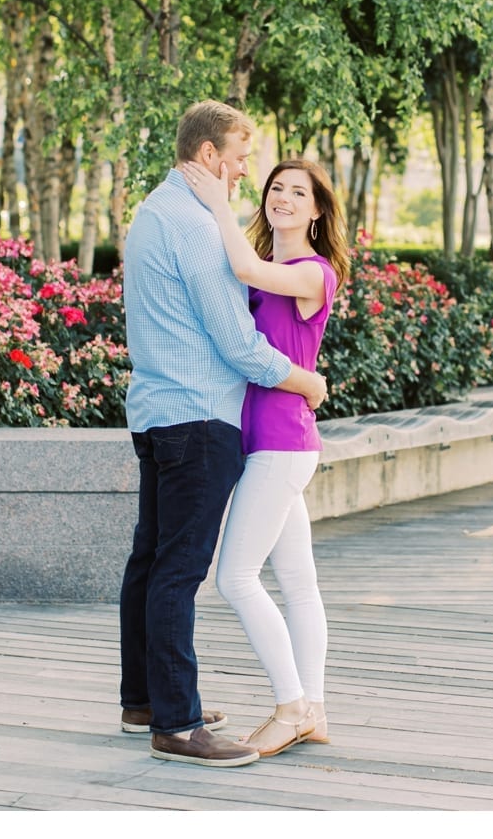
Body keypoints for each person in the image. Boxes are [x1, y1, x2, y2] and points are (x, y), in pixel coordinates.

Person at [118, 99, 329, 769]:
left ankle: (147, 700)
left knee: (151, 563)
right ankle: (177, 724)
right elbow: (239, 344)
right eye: (241, 158)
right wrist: (305, 381)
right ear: (210, 155)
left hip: (157, 412)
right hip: (201, 418)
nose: (245, 172)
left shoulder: (153, 211)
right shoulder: (199, 226)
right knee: (183, 571)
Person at [178, 153, 350, 758]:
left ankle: (291, 706)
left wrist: (218, 201)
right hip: (270, 444)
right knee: (299, 583)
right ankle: (317, 710)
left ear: (317, 209)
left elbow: (243, 263)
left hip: (281, 445)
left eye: (297, 193)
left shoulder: (313, 272)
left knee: (234, 577)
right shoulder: (268, 270)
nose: (282, 198)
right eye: (276, 189)